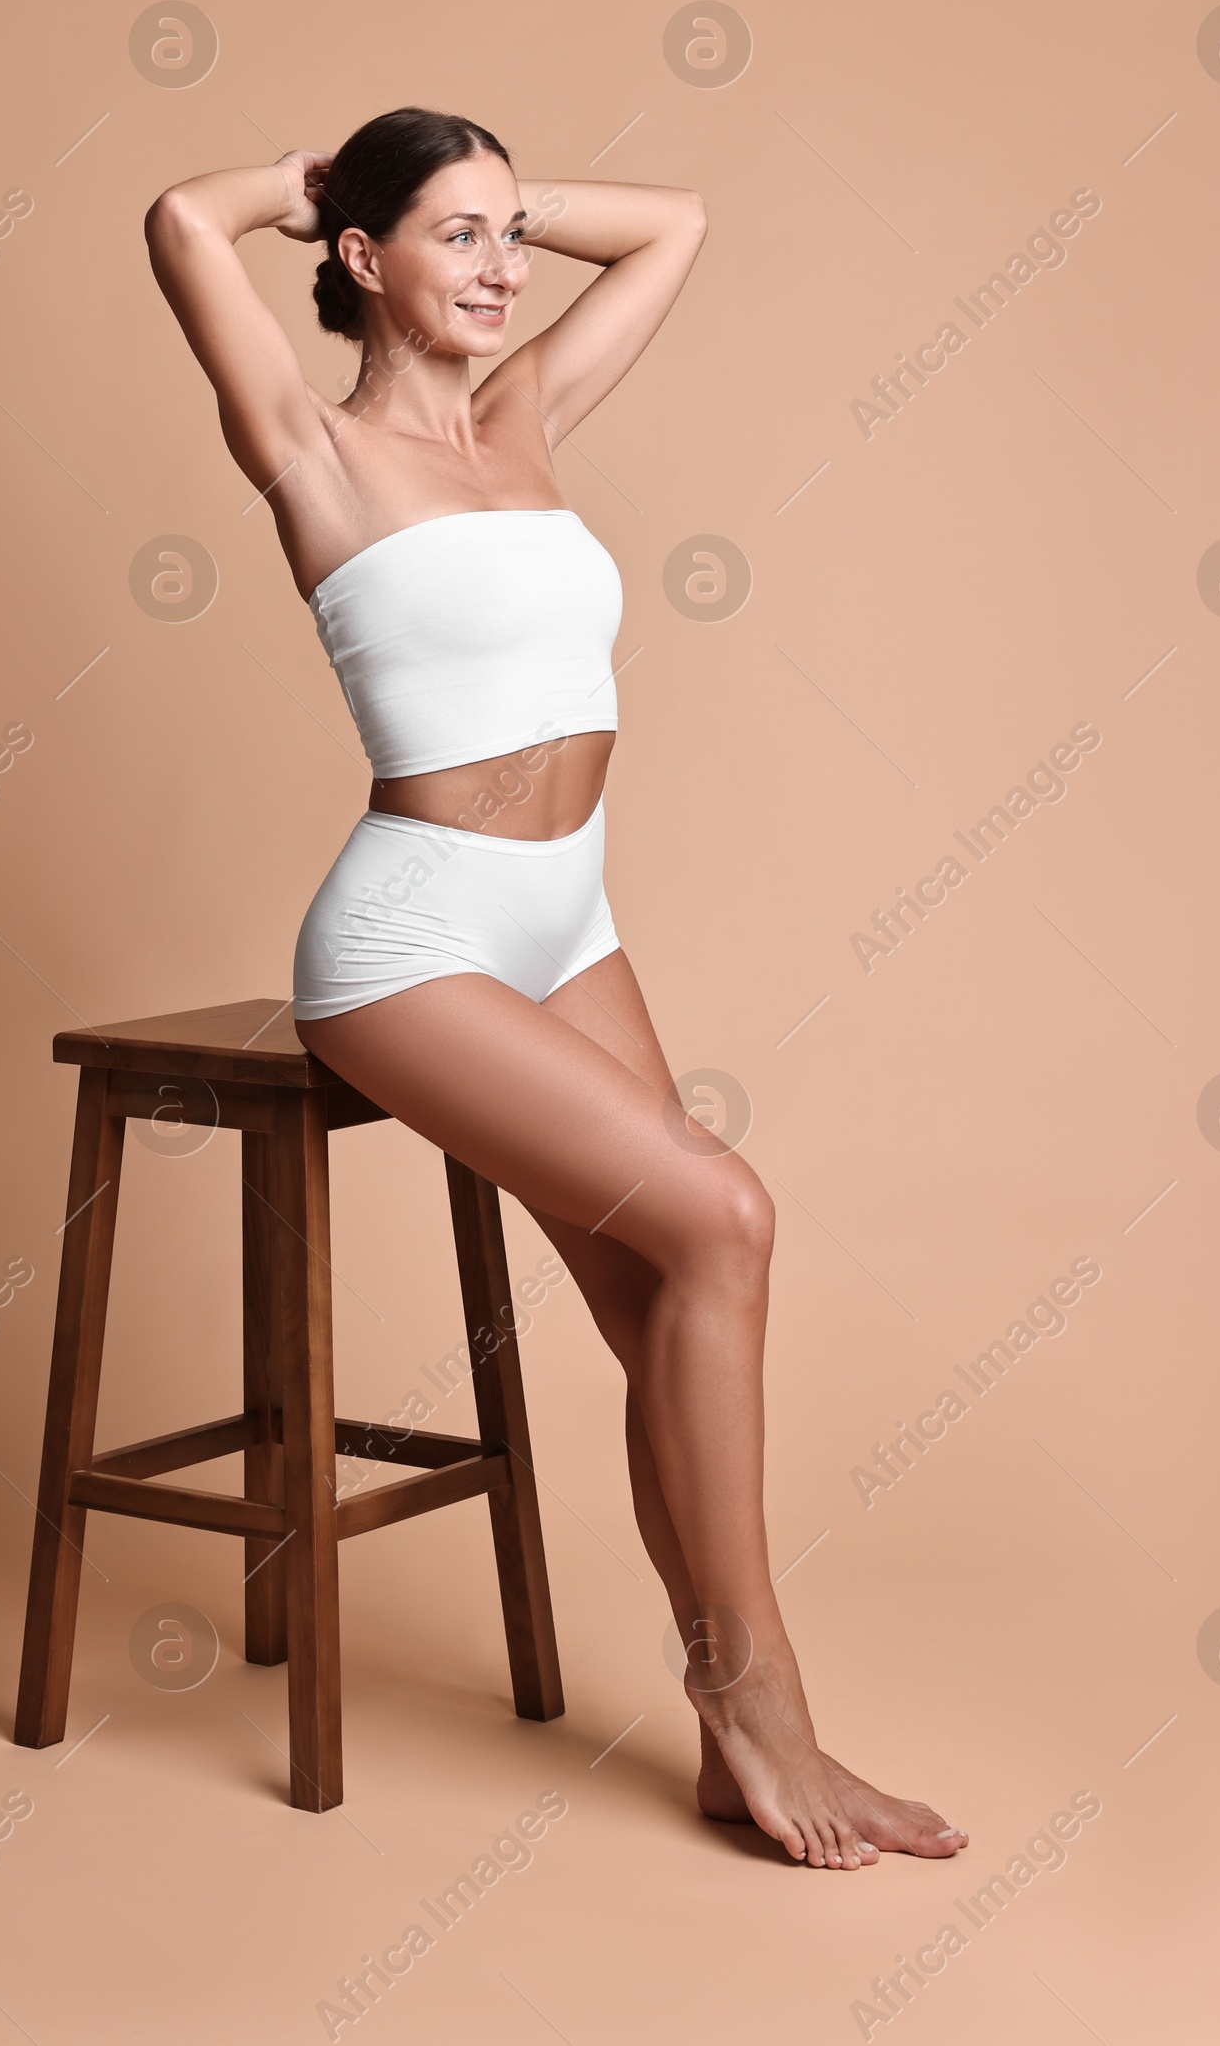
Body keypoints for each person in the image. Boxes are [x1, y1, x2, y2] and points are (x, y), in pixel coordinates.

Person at [144, 107, 968, 1872]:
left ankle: (726, 1733)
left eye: (514, 237)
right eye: (460, 240)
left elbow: (674, 223)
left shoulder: (520, 417)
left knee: (665, 1300)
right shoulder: (310, 446)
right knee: (726, 1219)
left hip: (568, 917)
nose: (508, 270)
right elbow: (178, 221)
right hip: (413, 940)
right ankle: (766, 1708)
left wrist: (489, 196)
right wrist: (325, 182)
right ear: (363, 265)